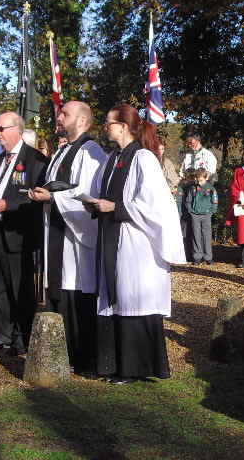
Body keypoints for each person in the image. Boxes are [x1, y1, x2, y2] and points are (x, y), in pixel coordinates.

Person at [89, 103, 186, 384]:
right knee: (117, 296)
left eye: (109, 122)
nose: (105, 127)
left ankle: (134, 367)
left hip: (135, 242)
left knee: (133, 298)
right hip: (112, 236)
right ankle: (115, 363)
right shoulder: (112, 158)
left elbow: (153, 204)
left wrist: (116, 207)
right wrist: (94, 203)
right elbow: (102, 192)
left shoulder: (143, 158)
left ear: (124, 126)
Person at [29, 101, 107, 374]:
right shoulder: (62, 152)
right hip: (55, 234)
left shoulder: (92, 153)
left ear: (83, 122)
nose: (59, 117)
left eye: (66, 114)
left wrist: (53, 197)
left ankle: (82, 357)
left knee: (76, 292)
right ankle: (59, 352)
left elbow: (88, 195)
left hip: (76, 242)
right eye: (60, 113)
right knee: (56, 289)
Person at [0, 112, 48, 355]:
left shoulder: (35, 160)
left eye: (0, 129)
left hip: (18, 234)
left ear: (16, 129)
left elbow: (37, 198)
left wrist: (9, 205)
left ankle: (22, 337)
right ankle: (3, 333)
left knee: (20, 288)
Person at [184, 168, 218, 265]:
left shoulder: (211, 188)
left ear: (206, 178)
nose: (199, 182)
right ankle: (197, 257)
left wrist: (210, 212)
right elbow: (188, 201)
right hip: (195, 216)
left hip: (206, 216)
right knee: (196, 235)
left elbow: (214, 202)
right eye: (198, 180)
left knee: (206, 236)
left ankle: (208, 257)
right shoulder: (193, 188)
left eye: (201, 180)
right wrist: (191, 211)